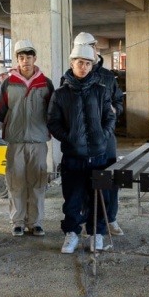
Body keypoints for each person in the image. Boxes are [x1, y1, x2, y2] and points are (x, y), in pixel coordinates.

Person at [47, 45, 115, 253]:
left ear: (92, 66)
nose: (83, 67)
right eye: (80, 63)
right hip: (73, 156)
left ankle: (96, 234)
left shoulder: (101, 91)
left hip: (99, 156)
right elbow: (53, 122)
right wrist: (69, 138)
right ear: (72, 63)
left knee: (99, 197)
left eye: (87, 63)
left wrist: (102, 136)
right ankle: (71, 233)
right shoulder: (60, 94)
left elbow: (110, 117)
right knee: (73, 197)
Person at [0, 40, 54, 237]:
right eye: (21, 57)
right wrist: (14, 124)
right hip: (16, 142)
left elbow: (52, 111)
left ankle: (35, 222)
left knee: (38, 183)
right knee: (15, 182)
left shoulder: (45, 83)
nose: (25, 61)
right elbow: (0, 109)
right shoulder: (8, 83)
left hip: (38, 142)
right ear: (17, 60)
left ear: (35, 58)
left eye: (29, 57)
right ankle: (18, 222)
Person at [72, 32, 124, 236]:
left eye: (94, 46)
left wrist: (113, 110)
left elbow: (119, 101)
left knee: (110, 177)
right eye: (89, 46)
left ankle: (110, 218)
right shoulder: (70, 78)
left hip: (106, 136)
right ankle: (89, 220)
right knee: (86, 179)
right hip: (82, 139)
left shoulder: (108, 77)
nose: (93, 50)